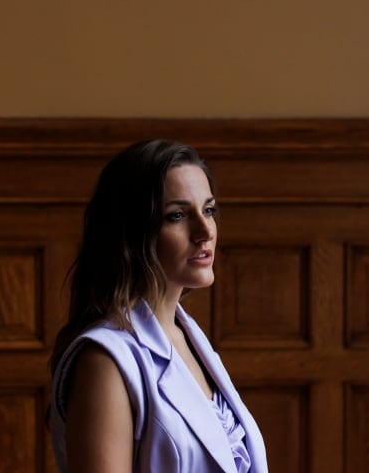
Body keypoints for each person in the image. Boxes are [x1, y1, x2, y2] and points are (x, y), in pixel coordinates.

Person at [49, 139, 268, 472]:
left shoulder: (188, 336)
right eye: (177, 215)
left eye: (208, 210)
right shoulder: (106, 361)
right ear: (131, 233)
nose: (204, 230)